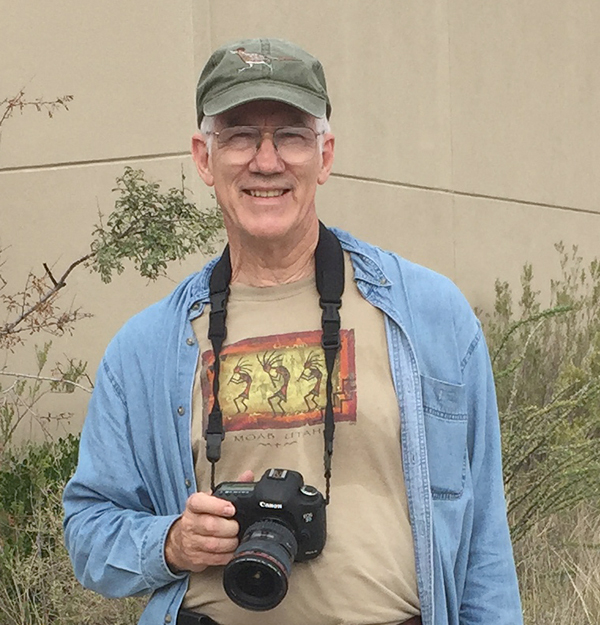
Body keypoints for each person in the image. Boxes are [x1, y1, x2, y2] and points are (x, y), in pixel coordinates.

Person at [63, 38, 523, 625]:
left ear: (325, 154)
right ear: (203, 157)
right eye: (238, 135)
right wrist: (171, 542)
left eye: (290, 135)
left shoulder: (430, 316)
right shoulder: (145, 349)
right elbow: (88, 526)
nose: (266, 159)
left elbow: (484, 537)